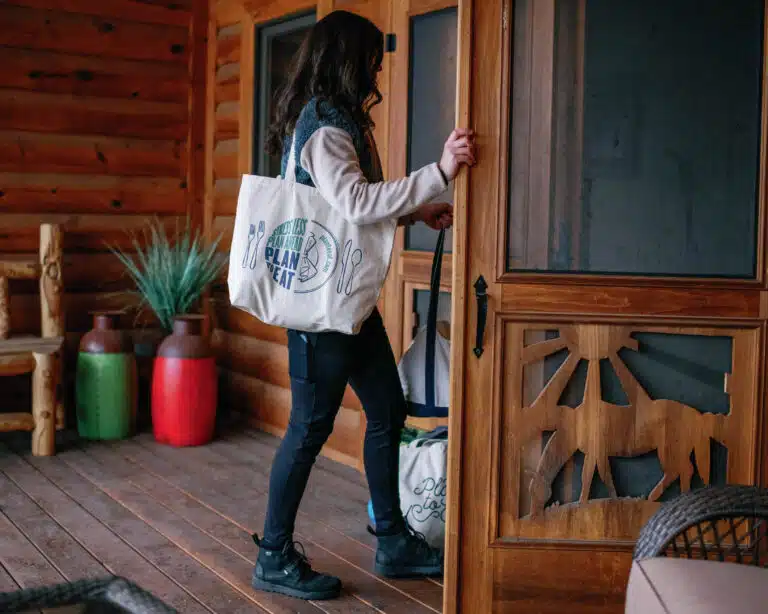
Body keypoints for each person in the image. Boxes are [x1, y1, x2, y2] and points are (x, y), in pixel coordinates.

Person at [251, 9, 476, 601]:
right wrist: (440, 172)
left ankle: (393, 538)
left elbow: (348, 206)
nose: (377, 70)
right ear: (349, 60)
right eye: (372, 59)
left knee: (386, 407)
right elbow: (352, 202)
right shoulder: (324, 126)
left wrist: (414, 210)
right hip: (321, 312)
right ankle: (273, 556)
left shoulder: (341, 120)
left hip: (346, 302)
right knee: (308, 429)